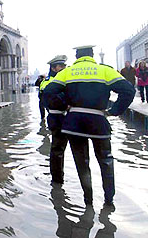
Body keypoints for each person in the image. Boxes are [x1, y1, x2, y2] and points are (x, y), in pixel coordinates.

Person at [43, 45, 135, 206]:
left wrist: (65, 105)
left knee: (82, 163)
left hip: (74, 124)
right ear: (92, 55)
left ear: (77, 56)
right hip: (98, 123)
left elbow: (48, 92)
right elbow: (128, 91)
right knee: (106, 161)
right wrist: (114, 111)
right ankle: (108, 200)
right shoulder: (105, 70)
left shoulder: (67, 72)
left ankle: (88, 200)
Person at [40, 55, 68, 184]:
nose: (63, 68)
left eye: (64, 65)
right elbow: (46, 99)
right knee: (57, 149)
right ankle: (57, 180)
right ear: (53, 68)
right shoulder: (47, 81)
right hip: (57, 117)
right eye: (60, 66)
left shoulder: (68, 78)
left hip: (70, 117)